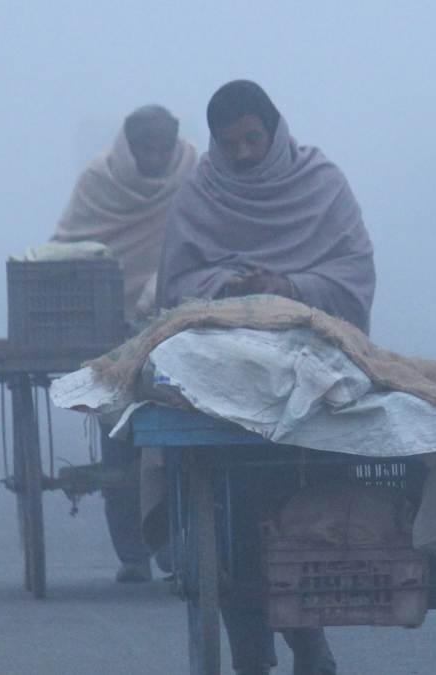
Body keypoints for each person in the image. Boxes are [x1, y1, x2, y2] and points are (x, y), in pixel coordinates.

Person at [156, 79, 376, 675]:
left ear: (275, 131)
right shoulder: (200, 194)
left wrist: (290, 287)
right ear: (216, 146)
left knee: (302, 521)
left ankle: (308, 641)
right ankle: (251, 652)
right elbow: (175, 287)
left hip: (313, 384)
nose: (246, 153)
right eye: (232, 145)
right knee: (228, 528)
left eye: (255, 139)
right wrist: (225, 288)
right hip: (224, 388)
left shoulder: (322, 184)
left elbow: (353, 276)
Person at [53, 104, 198, 581]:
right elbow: (71, 242)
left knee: (179, 438)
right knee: (120, 437)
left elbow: (201, 240)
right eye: (145, 148)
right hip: (106, 326)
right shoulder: (99, 179)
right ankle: (133, 552)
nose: (156, 157)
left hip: (174, 322)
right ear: (127, 146)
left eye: (164, 147)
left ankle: (173, 544)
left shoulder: (193, 172)